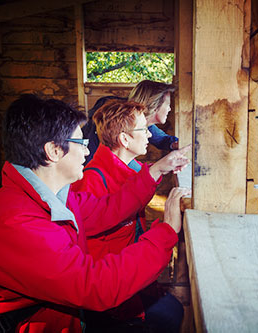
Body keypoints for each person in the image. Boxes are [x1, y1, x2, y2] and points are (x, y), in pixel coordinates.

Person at [0, 94, 190, 332]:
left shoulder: (53, 196)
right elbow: (96, 287)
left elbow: (108, 209)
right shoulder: (15, 223)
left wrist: (155, 171)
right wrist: (166, 232)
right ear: (53, 151)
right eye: (81, 143)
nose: (87, 152)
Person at [72, 100, 185, 332]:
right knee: (171, 315)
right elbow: (95, 261)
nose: (149, 136)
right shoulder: (92, 181)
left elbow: (135, 187)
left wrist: (165, 166)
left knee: (172, 311)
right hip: (112, 297)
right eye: (143, 130)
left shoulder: (129, 168)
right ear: (124, 140)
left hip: (133, 283)